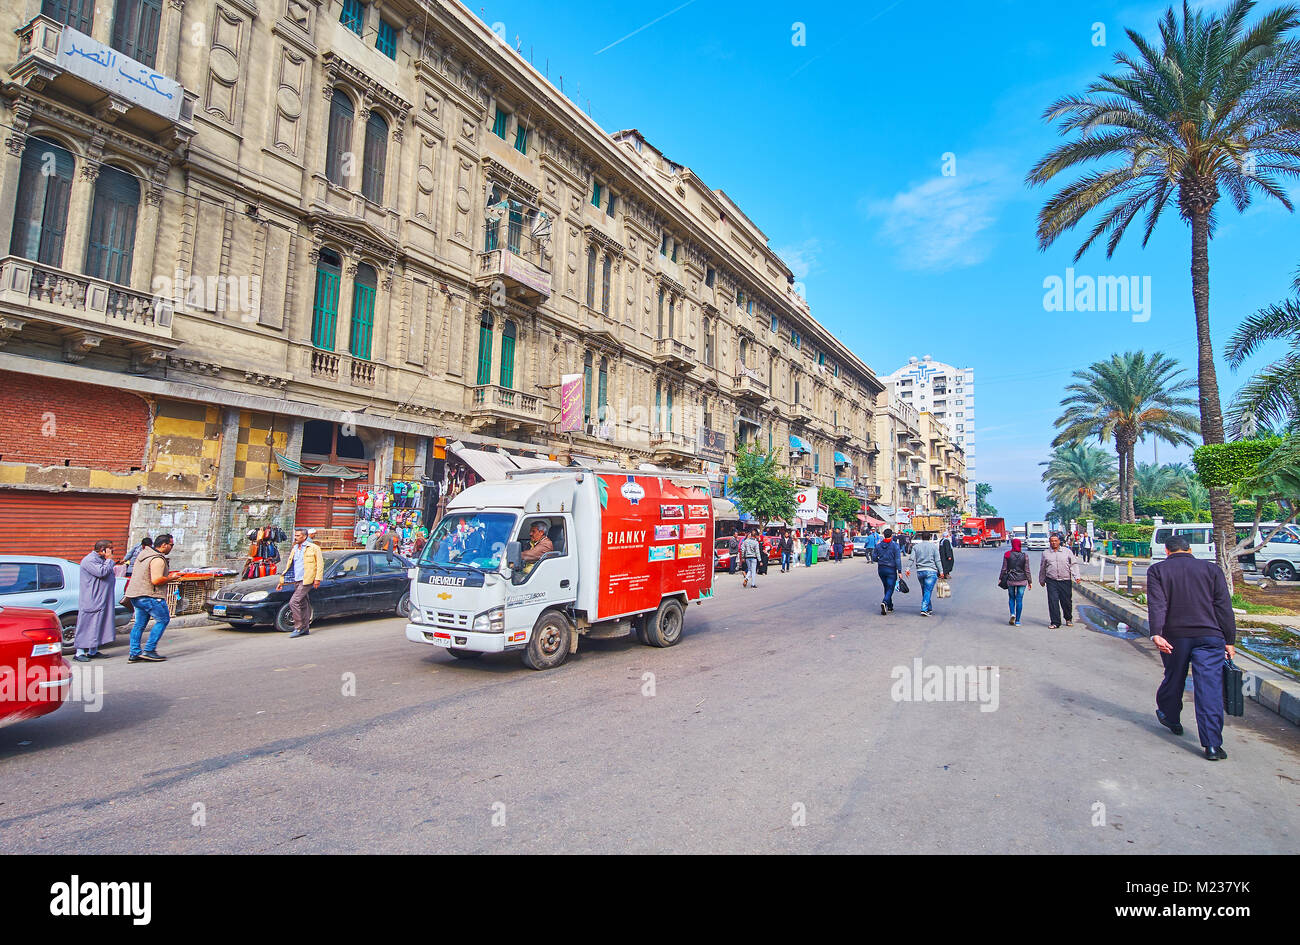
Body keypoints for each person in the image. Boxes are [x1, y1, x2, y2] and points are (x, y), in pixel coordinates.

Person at [1148, 534, 1236, 761]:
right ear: (1190, 550)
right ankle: (1213, 745)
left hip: (1174, 637)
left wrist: (1156, 633)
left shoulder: (1158, 571)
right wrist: (1229, 640)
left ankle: (1170, 716)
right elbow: (1223, 606)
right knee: (1209, 689)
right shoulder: (1211, 570)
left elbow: (1158, 603)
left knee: (1174, 677)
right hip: (1210, 637)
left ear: (1167, 551)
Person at [124, 533, 175, 662]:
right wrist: (171, 578)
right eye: (171, 545)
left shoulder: (143, 554)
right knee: (163, 620)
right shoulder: (157, 559)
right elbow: (156, 580)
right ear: (164, 545)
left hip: (136, 594)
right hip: (150, 596)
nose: (172, 547)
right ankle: (149, 650)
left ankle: (134, 653)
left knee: (139, 625)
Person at [74, 539, 117, 662]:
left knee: (98, 624)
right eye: (110, 549)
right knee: (87, 625)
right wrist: (109, 560)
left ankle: (93, 651)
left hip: (102, 599)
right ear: (103, 550)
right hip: (92, 599)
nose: (112, 551)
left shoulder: (101, 560)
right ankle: (79, 652)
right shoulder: (89, 560)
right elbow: (101, 572)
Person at [276, 527, 324, 638]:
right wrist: (282, 581)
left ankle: (298, 627)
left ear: (305, 536)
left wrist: (317, 579)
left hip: (307, 579)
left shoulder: (313, 548)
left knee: (294, 602)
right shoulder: (295, 549)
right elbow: (290, 566)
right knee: (303, 603)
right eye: (295, 535)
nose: (296, 537)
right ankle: (305, 628)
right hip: (296, 579)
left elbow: (320, 564)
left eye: (298, 536)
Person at [1038, 533, 1082, 628]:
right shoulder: (1046, 553)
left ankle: (1068, 618)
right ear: (1049, 542)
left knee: (1066, 601)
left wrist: (1077, 576)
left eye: (1055, 541)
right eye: (1052, 541)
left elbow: (1073, 564)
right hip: (1051, 580)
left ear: (1059, 541)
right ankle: (1055, 622)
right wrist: (1041, 579)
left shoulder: (1067, 552)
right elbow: (1043, 567)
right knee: (1053, 601)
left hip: (1065, 580)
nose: (1053, 543)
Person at [911, 531, 945, 617]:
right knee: (927, 590)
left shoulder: (916, 547)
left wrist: (908, 568)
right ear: (929, 538)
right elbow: (937, 560)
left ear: (922, 537)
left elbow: (911, 558)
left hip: (920, 571)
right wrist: (941, 571)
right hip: (931, 571)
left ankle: (929, 608)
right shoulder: (934, 547)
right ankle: (924, 609)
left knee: (925, 590)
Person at [999, 538, 1032, 626]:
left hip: (1011, 580)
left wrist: (1000, 578)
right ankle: (1017, 621)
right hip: (1022, 580)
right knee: (1019, 599)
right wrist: (1030, 581)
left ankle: (1012, 613)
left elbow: (1004, 568)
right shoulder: (1025, 555)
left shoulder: (1007, 554)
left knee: (1011, 597)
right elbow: (1027, 570)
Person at [876, 527, 903, 616]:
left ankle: (890, 606)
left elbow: (874, 557)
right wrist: (899, 571)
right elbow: (898, 559)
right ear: (891, 536)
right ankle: (885, 602)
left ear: (884, 535)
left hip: (881, 568)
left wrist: (881, 560)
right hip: (891, 569)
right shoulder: (895, 545)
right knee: (890, 587)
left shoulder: (878, 545)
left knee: (886, 587)